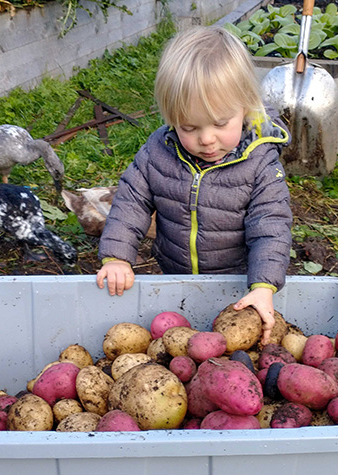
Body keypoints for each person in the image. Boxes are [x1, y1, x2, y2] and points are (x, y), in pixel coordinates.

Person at [95, 25, 292, 343]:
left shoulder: (259, 163)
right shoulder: (159, 151)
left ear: (245, 107)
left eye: (220, 123)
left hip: (238, 287)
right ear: (171, 118)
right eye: (189, 126)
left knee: (229, 344)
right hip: (175, 275)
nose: (206, 139)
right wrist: (117, 256)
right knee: (181, 340)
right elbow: (131, 200)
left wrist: (263, 285)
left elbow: (271, 226)